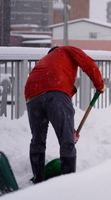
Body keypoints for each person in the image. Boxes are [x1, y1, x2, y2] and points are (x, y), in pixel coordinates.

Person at [24, 46, 106, 184]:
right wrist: (99, 84)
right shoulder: (66, 50)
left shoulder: (45, 62)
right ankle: (68, 183)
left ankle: (38, 180)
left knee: (37, 140)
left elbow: (64, 99)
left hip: (32, 95)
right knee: (66, 143)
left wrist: (70, 130)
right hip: (55, 89)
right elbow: (87, 63)